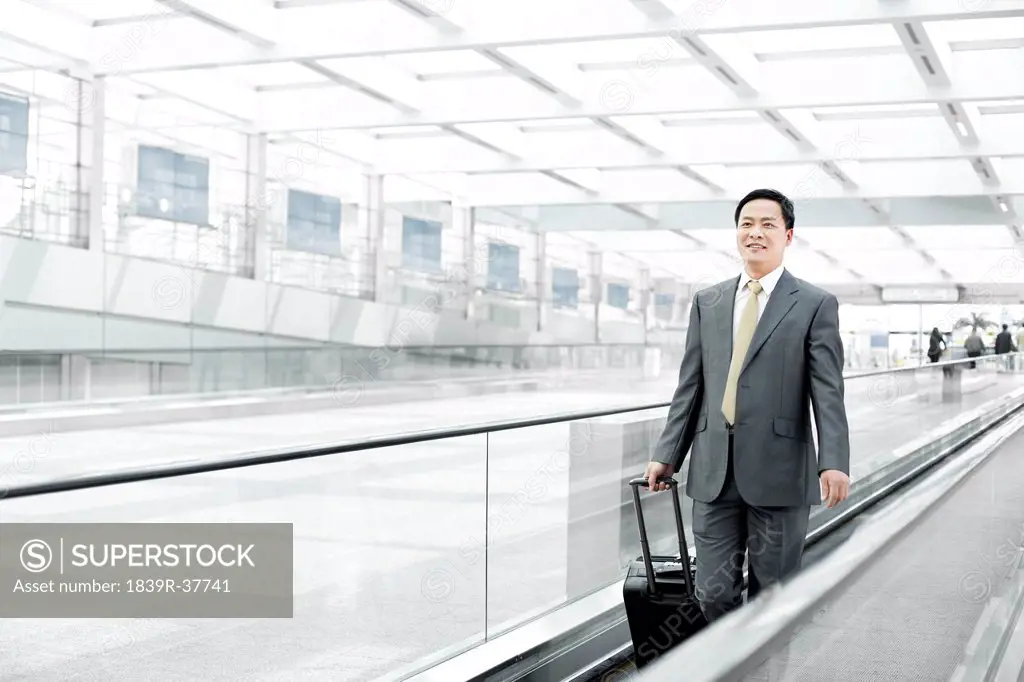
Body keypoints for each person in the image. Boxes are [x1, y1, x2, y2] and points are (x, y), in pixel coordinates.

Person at [643, 188, 851, 624]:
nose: (755, 233)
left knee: (772, 599)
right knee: (713, 593)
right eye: (746, 224)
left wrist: (834, 461)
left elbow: (827, 390)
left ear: (788, 236)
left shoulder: (814, 304)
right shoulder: (709, 301)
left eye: (768, 224)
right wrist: (667, 454)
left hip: (780, 473)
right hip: (713, 470)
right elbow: (691, 385)